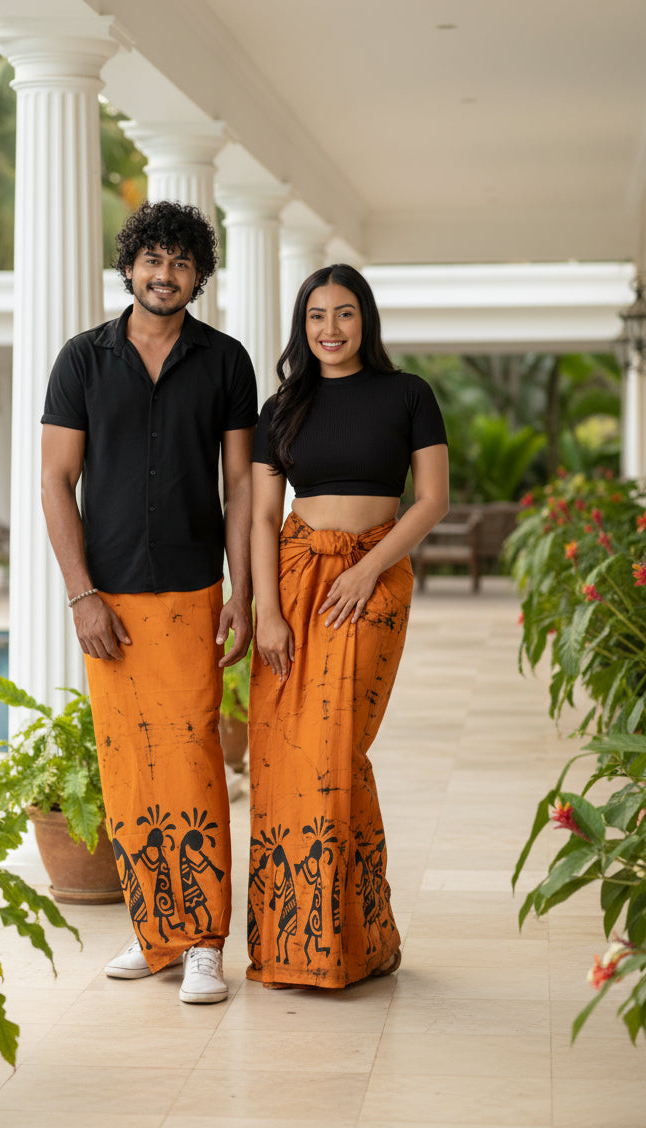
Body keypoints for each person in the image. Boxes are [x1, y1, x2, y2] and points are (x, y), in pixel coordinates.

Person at [40, 200, 257, 1004]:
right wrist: (81, 595)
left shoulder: (226, 362)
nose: (164, 275)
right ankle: (153, 933)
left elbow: (240, 486)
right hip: (111, 601)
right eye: (152, 260)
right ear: (129, 266)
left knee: (195, 759)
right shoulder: (82, 361)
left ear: (198, 276)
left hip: (195, 590)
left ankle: (204, 941)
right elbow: (56, 483)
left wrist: (241, 591)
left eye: (181, 263)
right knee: (129, 767)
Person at [246, 263, 448, 989]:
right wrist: (266, 609)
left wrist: (368, 570)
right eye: (316, 317)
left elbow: (431, 500)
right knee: (286, 753)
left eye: (344, 314)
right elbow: (265, 515)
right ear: (302, 328)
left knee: (335, 746)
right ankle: (314, 942)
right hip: (296, 580)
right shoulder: (282, 408)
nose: (330, 330)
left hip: (373, 581)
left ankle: (349, 939)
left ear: (366, 320)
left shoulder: (408, 394)